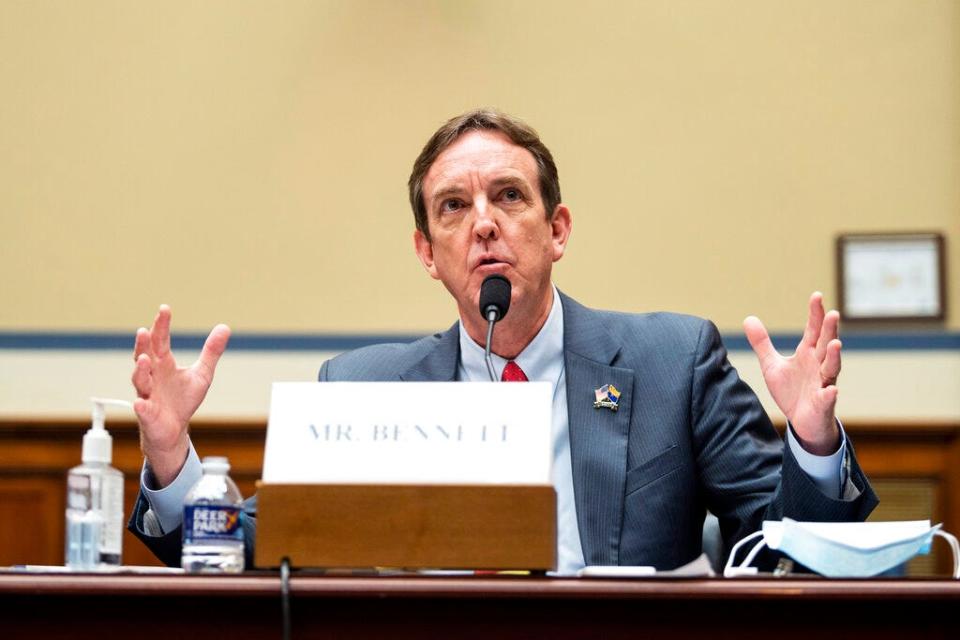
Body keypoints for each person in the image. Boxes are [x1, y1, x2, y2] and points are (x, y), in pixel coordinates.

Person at [128, 109, 877, 573]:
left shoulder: (671, 361)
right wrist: (171, 456)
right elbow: (256, 542)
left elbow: (783, 553)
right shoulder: (363, 383)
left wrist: (811, 443)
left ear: (557, 232)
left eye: (508, 196)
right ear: (428, 253)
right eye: (454, 206)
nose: (483, 222)